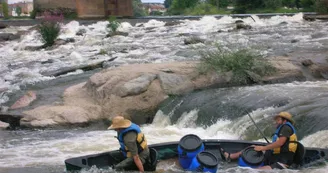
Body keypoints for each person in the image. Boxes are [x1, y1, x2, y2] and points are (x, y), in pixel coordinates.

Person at [222, 112, 298, 170]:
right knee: (253, 147)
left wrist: (262, 148)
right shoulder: (283, 127)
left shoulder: (286, 127)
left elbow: (280, 143)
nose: (276, 122)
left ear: (284, 121)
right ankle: (230, 156)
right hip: (275, 156)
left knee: (256, 171)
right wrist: (263, 148)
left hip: (283, 161)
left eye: (278, 120)